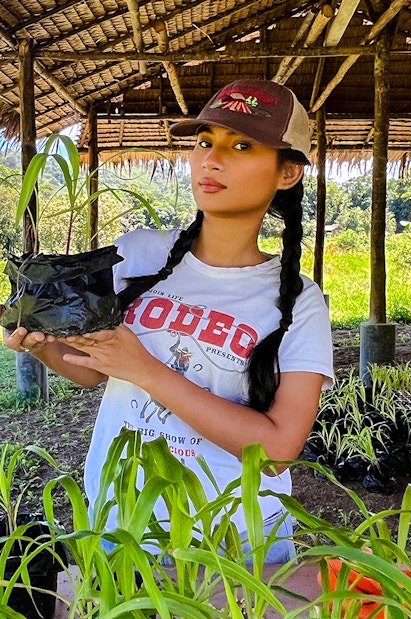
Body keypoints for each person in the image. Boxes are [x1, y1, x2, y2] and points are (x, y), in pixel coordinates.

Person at [3, 79, 333, 563]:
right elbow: (94, 370)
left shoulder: (299, 301)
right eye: (205, 142)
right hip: (120, 524)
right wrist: (43, 346)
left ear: (287, 174)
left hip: (231, 545)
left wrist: (147, 370)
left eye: (241, 146)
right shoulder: (140, 253)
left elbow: (279, 449)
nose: (211, 159)